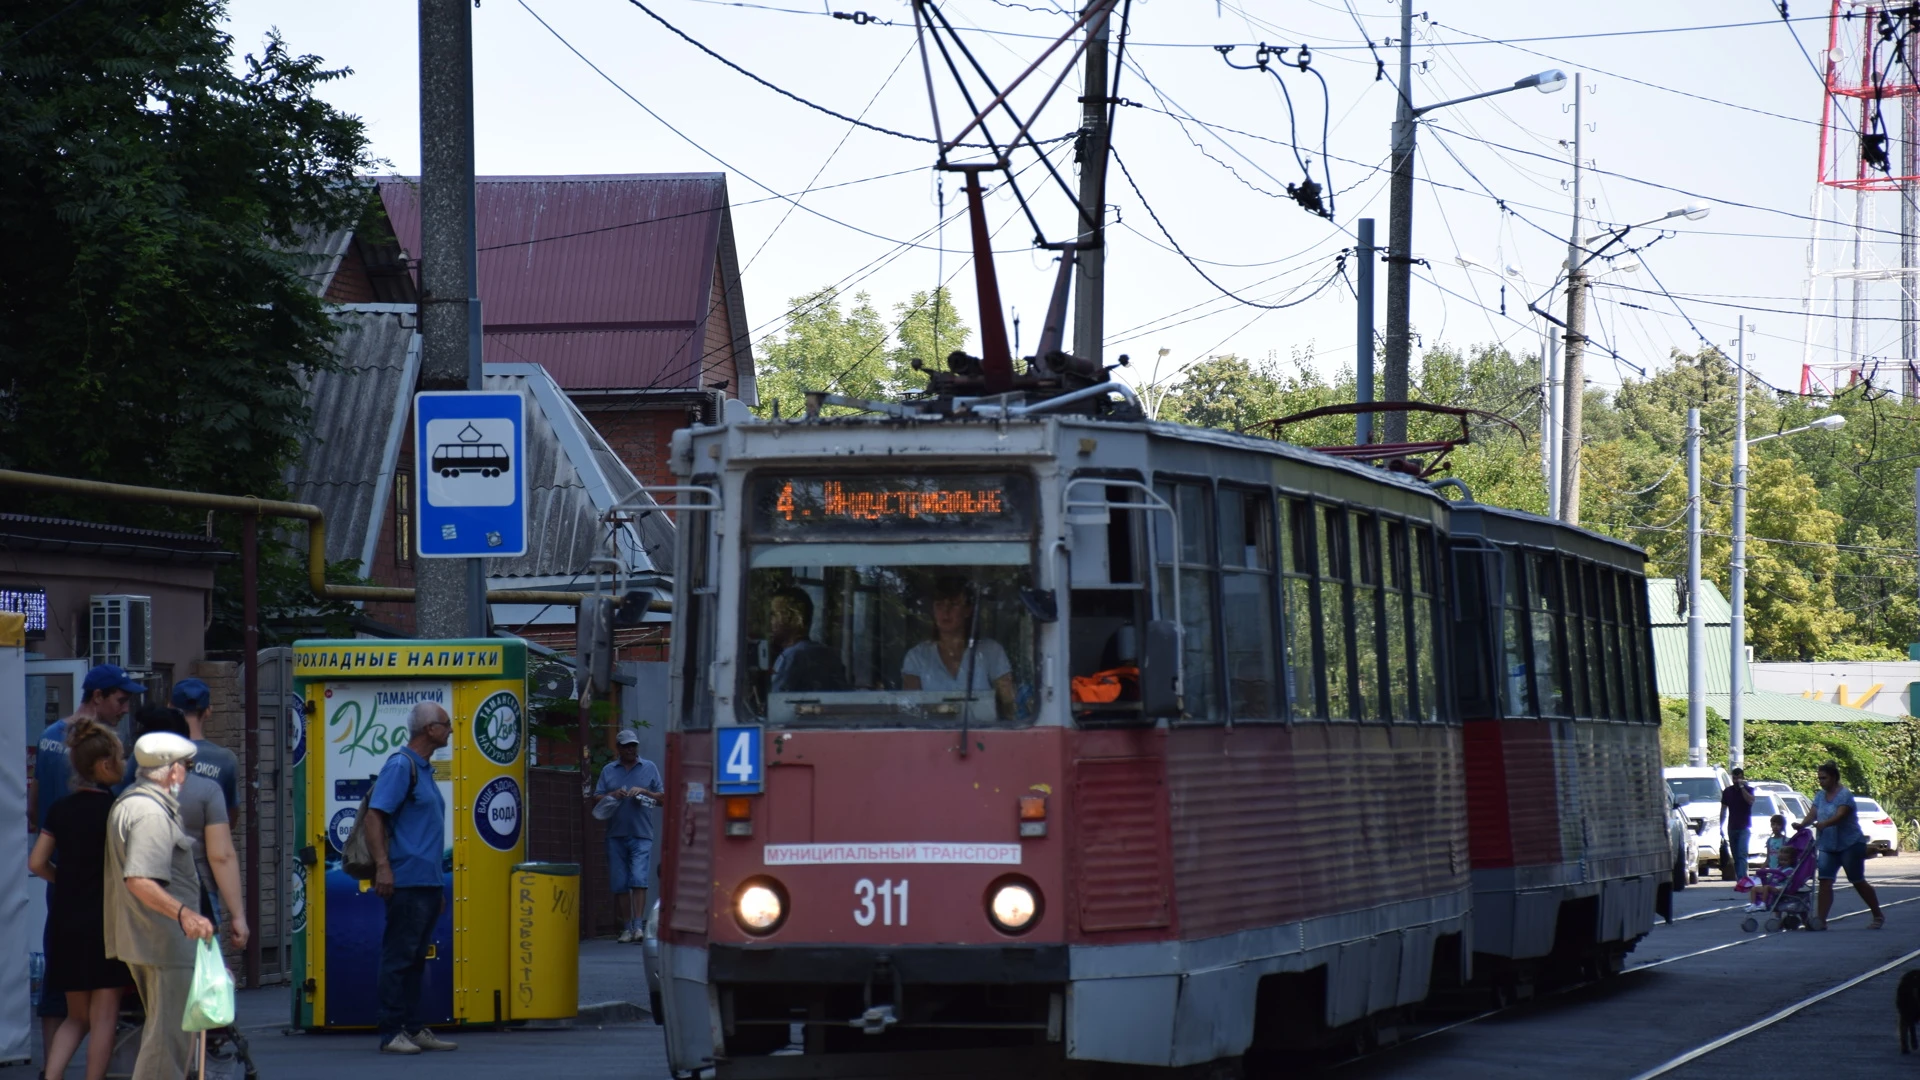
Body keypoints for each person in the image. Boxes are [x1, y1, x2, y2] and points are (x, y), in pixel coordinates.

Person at [34, 663, 142, 1053]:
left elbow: (35, 801)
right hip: (95, 882)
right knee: (102, 987)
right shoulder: (97, 748)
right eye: (120, 699)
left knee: (58, 967)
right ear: (97, 697)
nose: (125, 709)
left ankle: (51, 1060)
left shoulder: (48, 737)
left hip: (59, 871)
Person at [105, 731, 217, 1080]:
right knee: (167, 1044)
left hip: (150, 939)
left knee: (163, 1037)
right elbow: (139, 879)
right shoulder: (149, 813)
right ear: (172, 771)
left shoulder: (132, 802)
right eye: (188, 766)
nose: (189, 773)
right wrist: (185, 914)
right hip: (163, 941)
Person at [362, 702, 457, 1055]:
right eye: (446, 724)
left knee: (416, 958)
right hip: (406, 880)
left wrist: (438, 885)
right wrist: (383, 866)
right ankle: (391, 1032)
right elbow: (375, 817)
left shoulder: (424, 769)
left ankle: (413, 1028)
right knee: (399, 956)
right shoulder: (402, 766)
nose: (450, 730)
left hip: (427, 882)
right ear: (429, 729)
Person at [128, 707, 249, 954]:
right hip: (196, 898)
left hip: (139, 901)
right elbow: (221, 855)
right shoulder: (206, 791)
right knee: (197, 980)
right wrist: (238, 915)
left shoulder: (127, 793)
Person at [901, 577, 1016, 718]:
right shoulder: (917, 657)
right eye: (939, 605)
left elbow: (1010, 707)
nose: (946, 611)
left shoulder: (992, 651)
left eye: (954, 604)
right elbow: (911, 713)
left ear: (967, 610)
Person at [590, 729, 664, 943]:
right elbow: (596, 797)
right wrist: (613, 794)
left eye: (634, 745)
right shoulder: (609, 770)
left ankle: (638, 926)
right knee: (620, 881)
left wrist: (644, 792)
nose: (631, 749)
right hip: (615, 834)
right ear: (619, 748)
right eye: (626, 746)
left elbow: (663, 798)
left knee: (639, 878)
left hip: (642, 832)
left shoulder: (649, 767)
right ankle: (626, 927)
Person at [1798, 760, 1886, 930]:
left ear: (1833, 777)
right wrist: (1802, 825)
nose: (1821, 781)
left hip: (1850, 844)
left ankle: (1877, 914)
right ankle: (1821, 921)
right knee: (1825, 881)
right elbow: (1812, 814)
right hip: (1828, 845)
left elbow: (1841, 815)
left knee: (1857, 880)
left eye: (1823, 778)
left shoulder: (1844, 795)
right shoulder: (1819, 796)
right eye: (1819, 778)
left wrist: (1825, 824)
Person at [767, 586, 847, 693]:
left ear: (793, 619)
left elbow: (776, 705)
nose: (769, 621)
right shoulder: (830, 656)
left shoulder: (790, 658)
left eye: (773, 615)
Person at [1719, 767, 1756, 880]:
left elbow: (1750, 801)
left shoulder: (1749, 790)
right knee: (1735, 856)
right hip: (1732, 827)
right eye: (1734, 778)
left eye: (1739, 778)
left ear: (1742, 778)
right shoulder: (1727, 791)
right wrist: (1721, 826)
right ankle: (1740, 877)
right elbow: (1723, 809)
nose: (1736, 781)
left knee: (1742, 854)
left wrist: (1742, 787)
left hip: (1744, 827)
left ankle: (1742, 879)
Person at [1749, 814, 1789, 910]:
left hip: (1781, 872)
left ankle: (1772, 910)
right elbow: (1768, 858)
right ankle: (1760, 905)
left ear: (1782, 826)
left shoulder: (1785, 840)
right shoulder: (1769, 840)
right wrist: (1762, 869)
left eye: (1778, 824)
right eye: (1773, 824)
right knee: (1768, 890)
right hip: (1771, 872)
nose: (1775, 827)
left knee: (1774, 893)